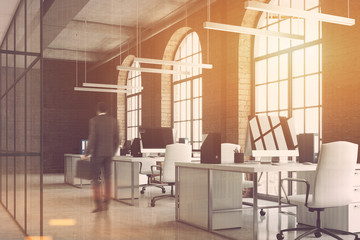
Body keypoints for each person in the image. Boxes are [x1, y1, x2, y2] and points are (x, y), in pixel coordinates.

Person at [81, 102, 120, 213]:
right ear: (107, 110)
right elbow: (117, 139)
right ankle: (106, 203)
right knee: (107, 178)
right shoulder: (114, 121)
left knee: (95, 179)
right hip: (109, 154)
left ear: (98, 110)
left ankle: (98, 205)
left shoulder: (94, 121)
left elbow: (92, 138)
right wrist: (113, 152)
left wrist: (86, 153)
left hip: (97, 155)